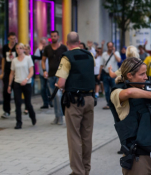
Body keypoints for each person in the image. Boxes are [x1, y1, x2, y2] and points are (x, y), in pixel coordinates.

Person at [55, 31, 95, 175]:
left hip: (74, 102)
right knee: (87, 136)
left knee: (74, 137)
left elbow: (61, 83)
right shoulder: (90, 55)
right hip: (90, 99)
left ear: (67, 43)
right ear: (79, 42)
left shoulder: (67, 57)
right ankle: (86, 169)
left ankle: (78, 172)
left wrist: (58, 85)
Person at [7, 43, 36, 129]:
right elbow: (12, 74)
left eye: (20, 48)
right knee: (18, 103)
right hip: (17, 83)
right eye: (17, 48)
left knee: (28, 103)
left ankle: (33, 117)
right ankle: (18, 122)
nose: (18, 50)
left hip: (26, 83)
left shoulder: (28, 58)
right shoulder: (14, 60)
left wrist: (26, 79)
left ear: (24, 49)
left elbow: (31, 72)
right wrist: (9, 85)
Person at [42, 30, 68, 125]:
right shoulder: (47, 48)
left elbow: (68, 60)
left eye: (55, 36)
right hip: (50, 75)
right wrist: (44, 70)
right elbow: (43, 60)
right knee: (54, 97)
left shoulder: (63, 48)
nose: (53, 38)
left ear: (58, 37)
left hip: (60, 75)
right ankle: (56, 117)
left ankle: (60, 117)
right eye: (52, 36)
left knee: (58, 96)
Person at [98, 41, 121, 110]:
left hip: (113, 75)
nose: (110, 48)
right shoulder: (104, 54)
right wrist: (99, 74)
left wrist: (113, 53)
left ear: (113, 47)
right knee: (107, 90)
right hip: (105, 74)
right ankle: (109, 103)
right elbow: (101, 65)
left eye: (111, 46)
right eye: (109, 47)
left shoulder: (116, 53)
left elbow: (119, 60)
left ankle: (115, 103)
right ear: (107, 47)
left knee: (114, 89)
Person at [0, 32, 17, 119]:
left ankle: (20, 110)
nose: (13, 40)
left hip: (16, 73)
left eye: (14, 39)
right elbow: (3, 59)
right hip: (7, 72)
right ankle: (7, 111)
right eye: (11, 39)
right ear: (8, 39)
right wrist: (2, 72)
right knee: (6, 91)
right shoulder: (5, 47)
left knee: (17, 92)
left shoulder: (17, 47)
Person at [35, 38, 53, 109]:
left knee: (50, 88)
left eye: (45, 43)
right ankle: (45, 103)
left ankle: (51, 102)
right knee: (43, 88)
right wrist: (39, 50)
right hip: (42, 73)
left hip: (50, 72)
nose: (43, 44)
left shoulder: (50, 49)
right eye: (42, 43)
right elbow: (36, 59)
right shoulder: (38, 50)